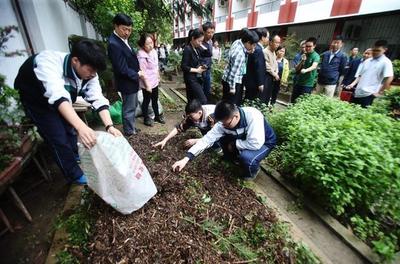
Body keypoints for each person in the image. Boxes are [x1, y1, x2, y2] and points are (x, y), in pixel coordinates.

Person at [14, 40, 122, 184]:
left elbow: (97, 98)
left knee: (69, 128)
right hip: (37, 100)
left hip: (62, 100)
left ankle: (75, 154)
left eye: (95, 71)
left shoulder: (90, 73)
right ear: (75, 61)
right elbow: (58, 96)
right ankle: (73, 174)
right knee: (57, 137)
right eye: (90, 70)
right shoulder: (47, 62)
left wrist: (110, 126)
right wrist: (82, 127)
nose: (93, 75)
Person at [172, 100, 276, 180]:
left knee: (247, 158)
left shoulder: (253, 116)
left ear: (235, 116)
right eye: (222, 124)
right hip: (243, 139)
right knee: (223, 139)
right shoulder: (223, 123)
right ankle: (231, 159)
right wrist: (186, 159)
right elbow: (206, 140)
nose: (224, 127)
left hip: (264, 142)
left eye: (227, 124)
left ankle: (251, 172)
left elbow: (256, 144)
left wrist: (235, 144)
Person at [108, 13, 144, 137]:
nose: (127, 32)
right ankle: (129, 132)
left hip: (131, 80)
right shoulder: (114, 43)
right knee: (129, 108)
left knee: (132, 106)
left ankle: (131, 127)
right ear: (116, 26)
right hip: (126, 81)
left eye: (129, 29)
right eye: (124, 29)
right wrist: (137, 73)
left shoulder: (122, 40)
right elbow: (121, 69)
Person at [347, 40, 394, 108]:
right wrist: (352, 84)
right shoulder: (368, 61)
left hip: (368, 95)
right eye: (374, 50)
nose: (375, 52)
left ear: (385, 50)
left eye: (378, 51)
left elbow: (390, 77)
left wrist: (380, 92)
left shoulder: (386, 62)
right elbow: (360, 75)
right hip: (357, 92)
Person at [222, 28, 259, 106]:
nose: (254, 47)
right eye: (253, 45)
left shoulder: (238, 42)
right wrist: (232, 88)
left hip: (226, 78)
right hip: (232, 81)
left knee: (225, 102)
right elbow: (233, 73)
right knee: (231, 106)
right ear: (248, 42)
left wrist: (248, 51)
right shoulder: (240, 54)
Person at [137, 33, 165, 127]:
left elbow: (156, 65)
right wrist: (147, 85)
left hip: (154, 80)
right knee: (146, 100)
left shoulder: (153, 51)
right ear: (142, 44)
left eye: (151, 43)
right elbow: (142, 72)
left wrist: (158, 76)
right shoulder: (141, 55)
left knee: (155, 99)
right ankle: (146, 118)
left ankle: (157, 116)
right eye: (147, 44)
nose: (150, 45)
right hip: (146, 82)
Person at [181, 29, 211, 104]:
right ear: (193, 38)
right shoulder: (188, 49)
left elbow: (209, 54)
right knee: (203, 100)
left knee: (192, 101)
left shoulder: (198, 48)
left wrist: (201, 45)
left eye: (202, 41)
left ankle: (189, 115)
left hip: (197, 78)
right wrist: (197, 70)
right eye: (199, 41)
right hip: (191, 79)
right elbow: (183, 66)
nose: (200, 43)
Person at [291, 37, 320, 103]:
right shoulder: (304, 54)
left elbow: (314, 66)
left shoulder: (316, 56)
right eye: (306, 46)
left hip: (307, 84)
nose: (307, 48)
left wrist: (306, 70)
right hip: (298, 82)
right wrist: (302, 60)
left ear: (314, 46)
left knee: (302, 103)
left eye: (310, 46)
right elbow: (296, 69)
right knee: (293, 101)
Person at [244, 27, 269, 101]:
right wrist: (260, 83)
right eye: (267, 37)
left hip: (250, 80)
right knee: (251, 100)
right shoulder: (258, 49)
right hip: (253, 82)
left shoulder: (255, 47)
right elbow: (259, 67)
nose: (268, 39)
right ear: (262, 38)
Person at [264, 35, 281, 106]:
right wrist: (274, 74)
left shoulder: (273, 52)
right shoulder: (265, 51)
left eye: (279, 43)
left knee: (268, 96)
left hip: (272, 77)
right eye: (276, 42)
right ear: (270, 42)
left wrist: (276, 72)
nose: (278, 45)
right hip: (266, 77)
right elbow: (267, 65)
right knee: (264, 96)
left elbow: (275, 63)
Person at [201, 22, 215, 101]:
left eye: (212, 32)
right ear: (204, 32)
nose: (211, 34)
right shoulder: (200, 42)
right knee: (201, 92)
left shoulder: (210, 42)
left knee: (207, 90)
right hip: (201, 70)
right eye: (208, 32)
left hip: (208, 69)